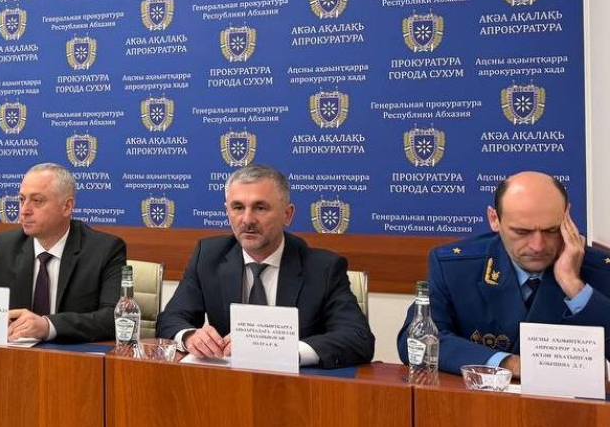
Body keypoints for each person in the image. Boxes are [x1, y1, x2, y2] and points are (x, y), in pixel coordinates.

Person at [156, 164, 374, 368]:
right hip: (228, 383)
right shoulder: (208, 256)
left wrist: (284, 351)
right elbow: (170, 320)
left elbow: (358, 338)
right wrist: (190, 336)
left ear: (287, 215)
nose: (247, 219)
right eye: (238, 207)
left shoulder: (323, 268)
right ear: (227, 211)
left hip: (298, 387)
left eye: (260, 208)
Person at [397, 171, 610, 377]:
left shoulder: (599, 269)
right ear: (494, 219)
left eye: (551, 230)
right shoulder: (455, 267)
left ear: (567, 216)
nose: (537, 246)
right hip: (479, 398)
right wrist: (505, 363)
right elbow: (415, 341)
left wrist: (574, 285)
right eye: (522, 232)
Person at [0, 162, 127, 342]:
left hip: (72, 355)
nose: (24, 211)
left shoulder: (105, 250)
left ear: (67, 206)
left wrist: (48, 326)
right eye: (22, 199)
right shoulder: (4, 246)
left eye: (37, 201)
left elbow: (115, 318)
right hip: (15, 354)